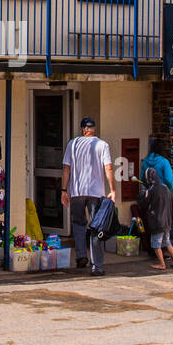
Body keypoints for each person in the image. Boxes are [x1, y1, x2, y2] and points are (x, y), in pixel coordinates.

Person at [60, 116, 116, 276]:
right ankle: (97, 266)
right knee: (96, 226)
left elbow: (66, 169)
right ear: (94, 129)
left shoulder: (73, 144)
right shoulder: (102, 145)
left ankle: (81, 256)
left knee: (78, 223)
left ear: (82, 130)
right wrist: (112, 189)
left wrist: (64, 190)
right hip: (95, 192)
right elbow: (109, 168)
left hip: (77, 192)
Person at [137, 166, 173, 270]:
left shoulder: (151, 190)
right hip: (167, 220)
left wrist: (142, 195)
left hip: (157, 221)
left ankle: (162, 264)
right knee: (167, 241)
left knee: (156, 244)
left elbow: (144, 203)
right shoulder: (165, 187)